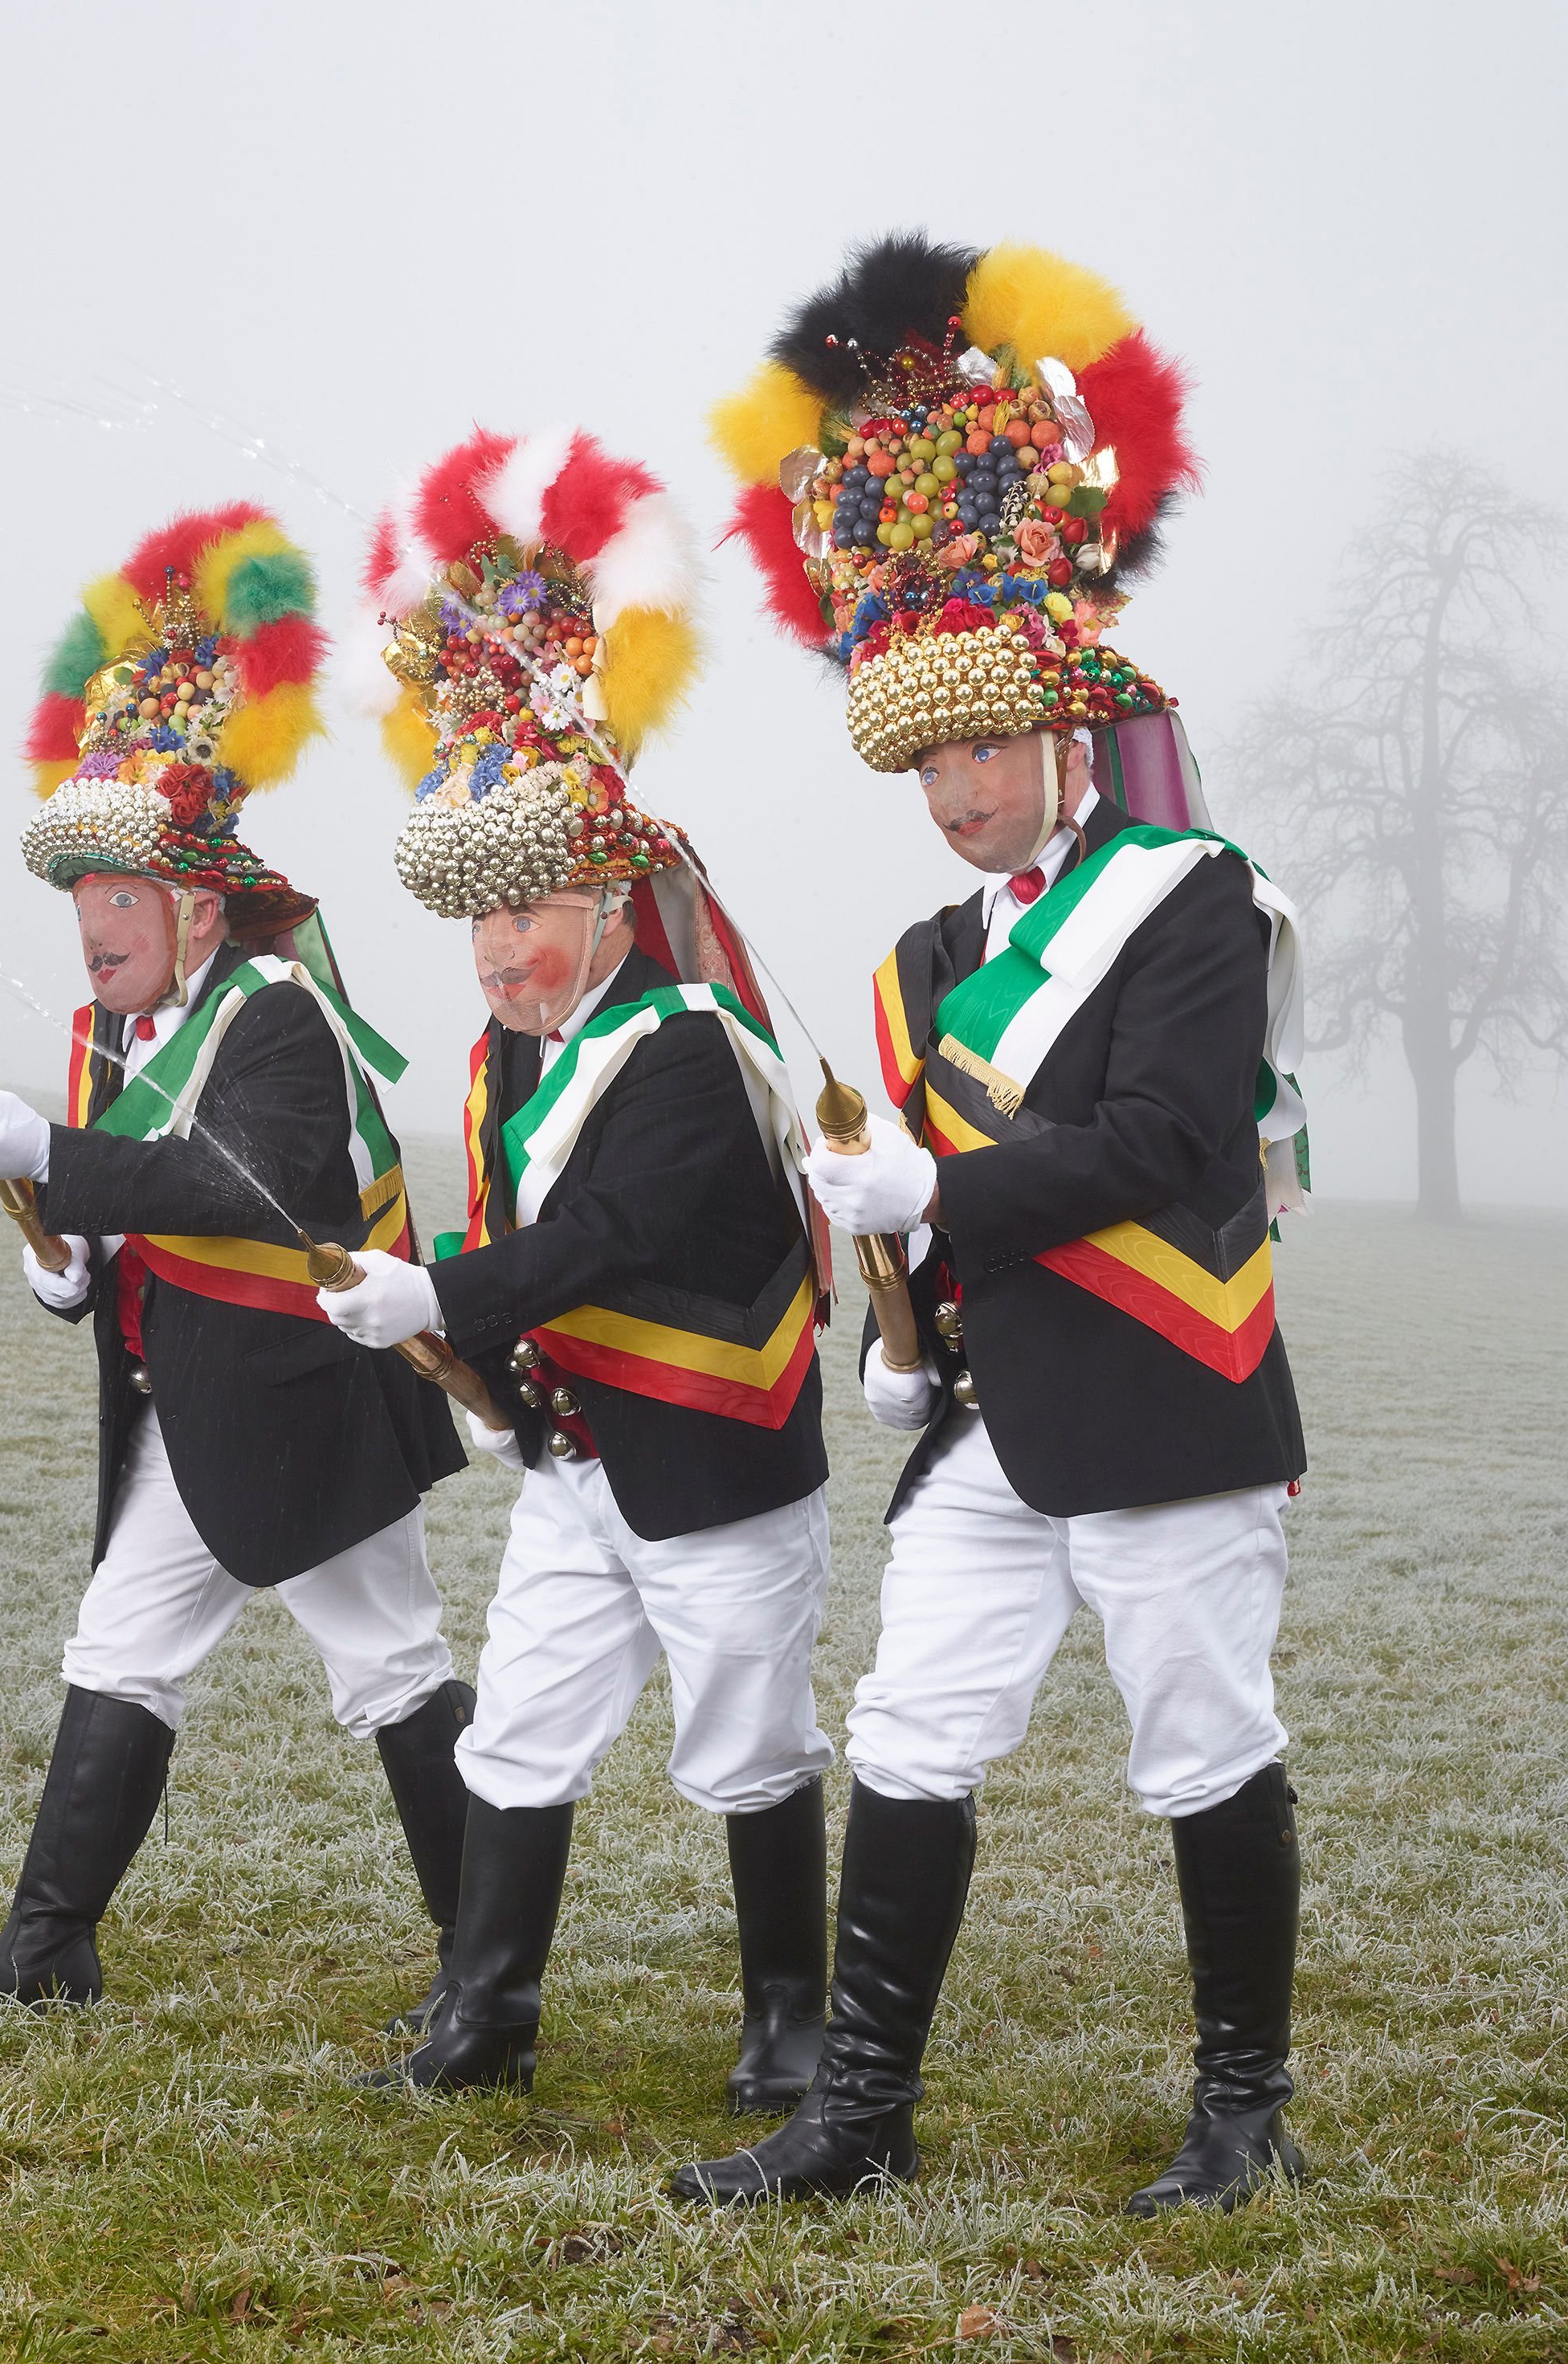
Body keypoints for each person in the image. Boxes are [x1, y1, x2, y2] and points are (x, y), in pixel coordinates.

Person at [677, 237, 1310, 2212]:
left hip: (1167, 1380)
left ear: (1064, 730)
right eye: (926, 754)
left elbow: (1167, 1138)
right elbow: (920, 1206)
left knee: (1201, 1737)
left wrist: (936, 1192)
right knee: (913, 1725)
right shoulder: (919, 960)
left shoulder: (1192, 897)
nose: (953, 787)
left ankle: (1245, 2112)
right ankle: (860, 2116)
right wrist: (901, 1306)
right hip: (990, 1408)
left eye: (981, 744)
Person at [0, 504, 471, 2022]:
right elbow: (129, 1213)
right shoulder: (114, 1028)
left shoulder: (277, 1012)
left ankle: (488, 1972)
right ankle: (47, 1949)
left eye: (121, 893)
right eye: (82, 895)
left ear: (199, 904)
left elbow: (242, 1184)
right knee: (121, 1645)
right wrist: (66, 1262)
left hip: (297, 1396)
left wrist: (52, 1159)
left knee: (390, 1665)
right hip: (184, 1400)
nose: (92, 923)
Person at [321, 429, 834, 2109]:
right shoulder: (506, 1055)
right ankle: (487, 2019)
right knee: (519, 1727)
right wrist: (459, 1333)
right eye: (478, 920)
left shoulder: (686, 1041)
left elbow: (611, 1233)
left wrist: (440, 1299)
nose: (496, 948)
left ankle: (791, 2025)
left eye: (525, 909)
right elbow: (518, 1233)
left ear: (611, 897)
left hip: (716, 1451)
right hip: (579, 1456)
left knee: (750, 1740)